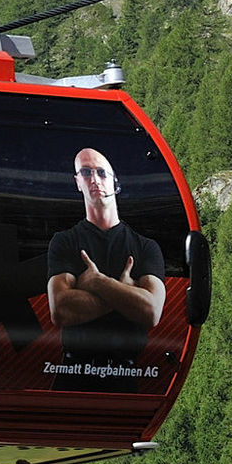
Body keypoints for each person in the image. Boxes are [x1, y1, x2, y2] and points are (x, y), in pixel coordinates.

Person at [44, 147, 165, 384]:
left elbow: (151, 312)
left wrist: (98, 283)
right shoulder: (65, 241)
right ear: (77, 182)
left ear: (114, 181)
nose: (95, 179)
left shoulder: (146, 247)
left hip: (128, 374)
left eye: (101, 172)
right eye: (86, 172)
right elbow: (60, 310)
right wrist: (125, 293)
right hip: (73, 374)